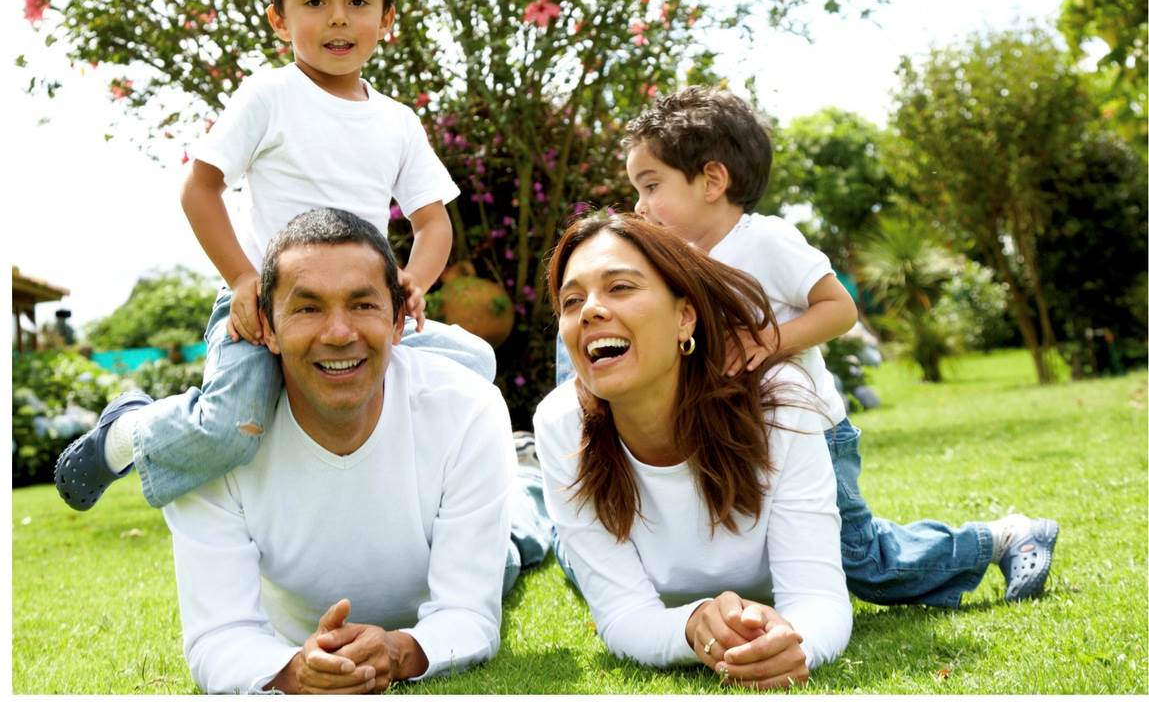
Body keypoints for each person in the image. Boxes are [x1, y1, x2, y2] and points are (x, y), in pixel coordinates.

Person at [55, 0, 494, 513]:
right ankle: (128, 430)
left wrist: (410, 281)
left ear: (386, 18)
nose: (338, 17)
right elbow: (198, 189)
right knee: (232, 424)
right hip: (268, 312)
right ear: (279, 19)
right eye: (314, 2)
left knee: (474, 362)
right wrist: (242, 280)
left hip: (362, 313)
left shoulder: (397, 121)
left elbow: (432, 221)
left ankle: (405, 500)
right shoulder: (269, 96)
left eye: (358, 1)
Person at [613, 85, 1059, 605]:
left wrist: (771, 339)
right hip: (750, 440)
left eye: (650, 185)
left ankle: (1004, 536)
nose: (640, 206)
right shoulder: (682, 262)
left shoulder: (765, 241)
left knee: (863, 562)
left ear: (712, 180)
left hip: (817, 436)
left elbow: (839, 309)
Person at [161, 208, 549, 694]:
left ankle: (529, 478)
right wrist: (292, 673)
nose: (339, 332)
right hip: (304, 633)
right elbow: (218, 637)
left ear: (398, 323)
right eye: (308, 308)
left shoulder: (467, 408)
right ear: (268, 329)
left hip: (466, 548)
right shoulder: (212, 444)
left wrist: (398, 651)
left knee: (521, 537)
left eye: (363, 305)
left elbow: (468, 612)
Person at [534, 214, 851, 689]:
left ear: (685, 316)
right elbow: (623, 614)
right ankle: (528, 489)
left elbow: (816, 596)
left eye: (620, 287)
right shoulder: (561, 425)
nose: (591, 310)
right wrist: (692, 625)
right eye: (572, 300)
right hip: (585, 533)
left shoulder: (777, 403)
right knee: (553, 545)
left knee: (872, 553)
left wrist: (790, 643)